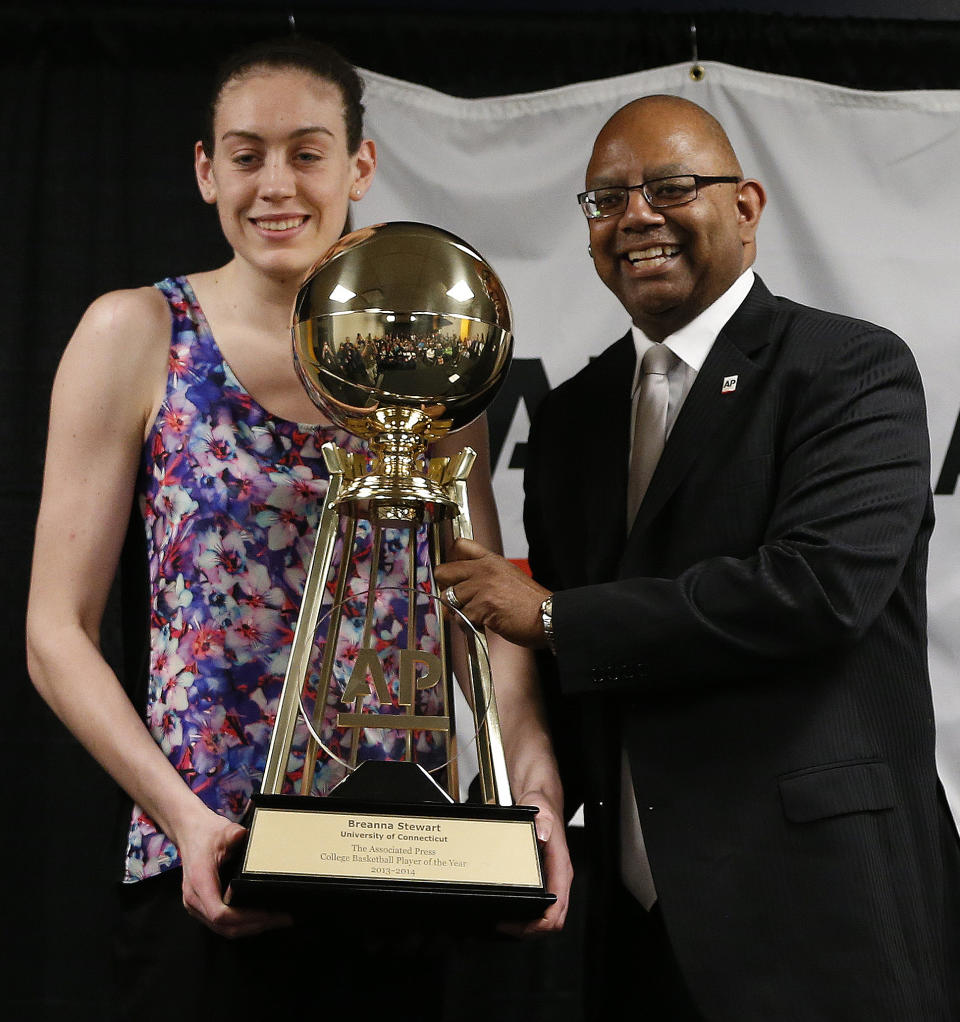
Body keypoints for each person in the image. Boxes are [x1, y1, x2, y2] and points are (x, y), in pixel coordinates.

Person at [25, 37, 570, 1019]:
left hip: (416, 866)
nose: (276, 183)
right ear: (205, 171)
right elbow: (54, 632)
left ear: (360, 166)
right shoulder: (138, 332)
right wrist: (181, 818)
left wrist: (532, 781)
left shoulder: (435, 367)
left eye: (307, 151)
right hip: (212, 864)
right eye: (246, 154)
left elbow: (482, 612)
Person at [434, 95, 960, 1020]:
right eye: (606, 200)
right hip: (635, 931)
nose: (636, 215)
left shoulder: (848, 368)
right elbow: (575, 668)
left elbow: (817, 592)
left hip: (823, 915)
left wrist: (552, 616)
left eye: (671, 186)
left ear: (748, 207)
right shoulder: (571, 417)